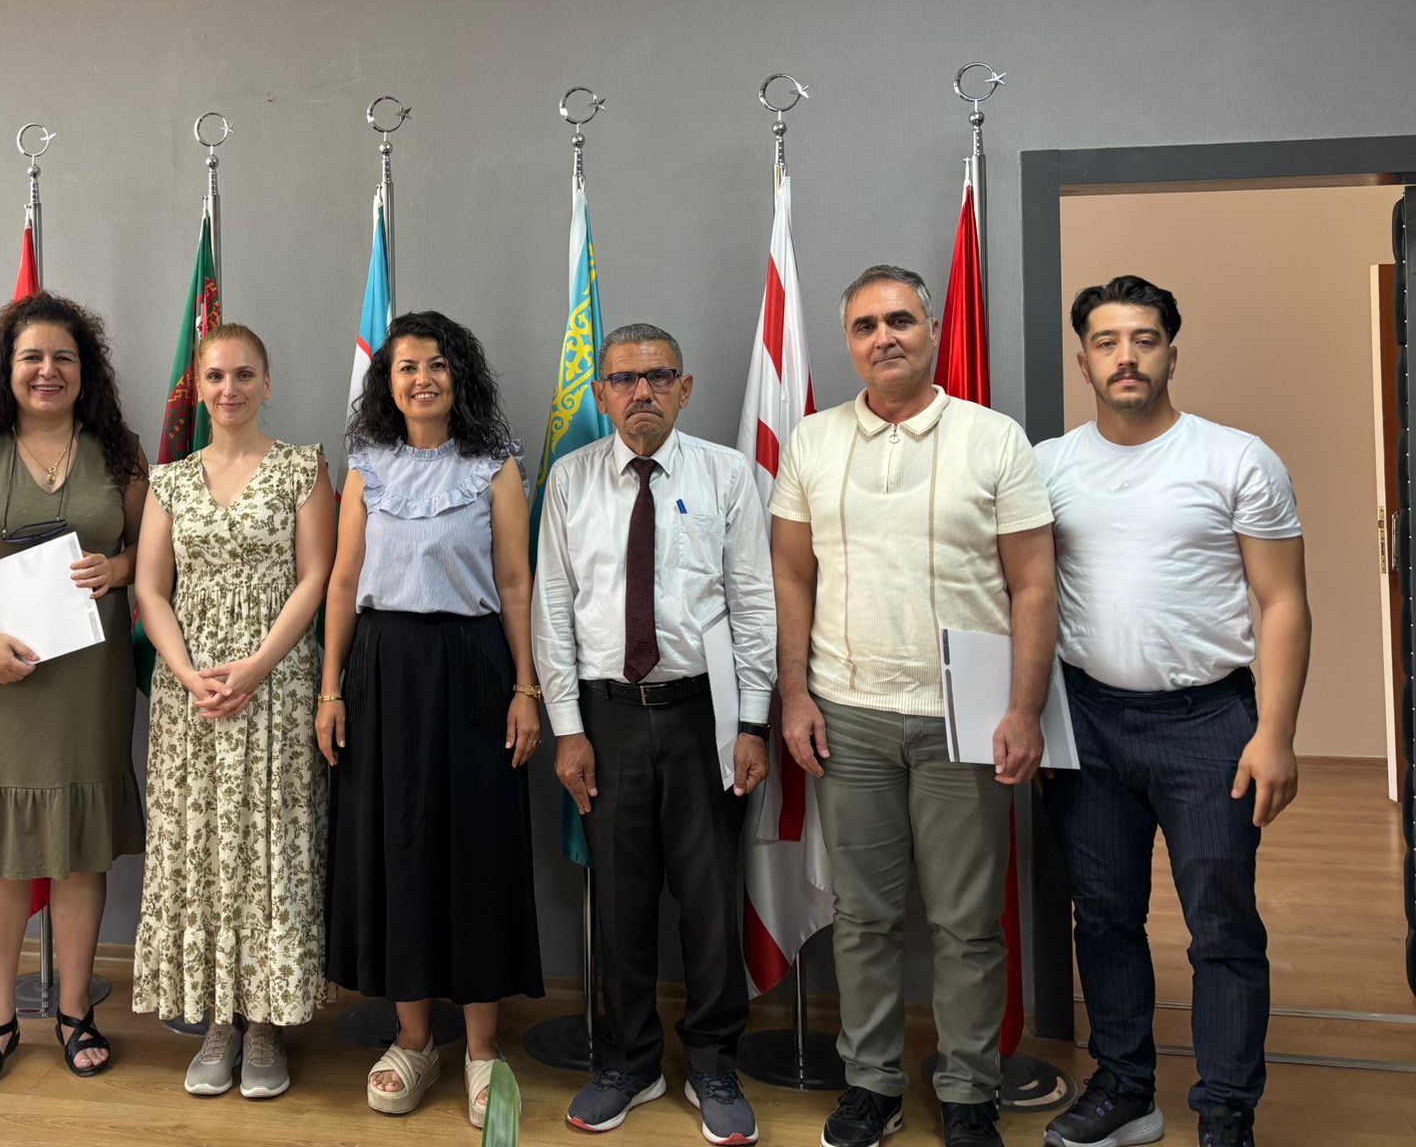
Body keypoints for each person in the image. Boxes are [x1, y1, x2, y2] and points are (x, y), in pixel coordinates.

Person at [771, 265, 1057, 1147]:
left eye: (899, 320)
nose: (883, 337)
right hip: (846, 713)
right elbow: (791, 573)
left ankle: (969, 1091)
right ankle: (873, 1085)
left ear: (931, 329)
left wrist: (1025, 709)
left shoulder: (994, 439)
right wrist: (794, 693)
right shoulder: (812, 442)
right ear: (848, 342)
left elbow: (1033, 583)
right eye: (865, 326)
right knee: (864, 918)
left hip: (965, 717)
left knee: (967, 925)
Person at [1038, 275, 1310, 1147]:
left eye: (1144, 339)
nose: (1126, 356)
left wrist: (1275, 734)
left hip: (1210, 725)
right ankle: (1125, 1090)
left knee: (1221, 924)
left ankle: (1226, 1112)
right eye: (1107, 341)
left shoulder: (1237, 460)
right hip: (1086, 722)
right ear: (1083, 360)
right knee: (1103, 915)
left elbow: (1283, 603)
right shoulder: (1049, 467)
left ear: (1171, 354)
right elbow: (1022, 597)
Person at [533, 321, 777, 1145]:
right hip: (605, 717)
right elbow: (552, 611)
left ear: (685, 388)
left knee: (709, 900)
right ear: (601, 394)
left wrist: (753, 723)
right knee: (621, 901)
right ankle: (630, 1062)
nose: (642, 392)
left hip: (706, 713)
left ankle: (713, 1062)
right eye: (625, 379)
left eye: (659, 376)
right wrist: (568, 730)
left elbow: (753, 602)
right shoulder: (571, 481)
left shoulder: (727, 475)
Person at [320, 311, 544, 1130]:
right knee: (400, 847)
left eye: (439, 364)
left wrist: (527, 688)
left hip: (475, 668)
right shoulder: (366, 467)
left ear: (461, 377)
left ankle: (483, 1049)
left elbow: (515, 583)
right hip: (383, 672)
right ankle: (414, 1040)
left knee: (476, 848)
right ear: (388, 382)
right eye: (408, 366)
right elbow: (343, 583)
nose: (423, 378)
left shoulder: (493, 465)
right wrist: (330, 689)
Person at [0, 293, 147, 1087]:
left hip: (89, 680)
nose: (47, 371)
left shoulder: (119, 456)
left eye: (63, 358)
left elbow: (153, 554)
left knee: (81, 847)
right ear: (5, 369)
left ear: (86, 372)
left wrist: (118, 568)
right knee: (2, 853)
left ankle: (76, 1009)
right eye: (32, 357)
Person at [130, 323, 336, 1100]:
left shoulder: (303, 468)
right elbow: (151, 587)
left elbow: (316, 576)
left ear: (267, 383)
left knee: (271, 848)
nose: (229, 388)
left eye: (244, 374)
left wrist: (256, 666)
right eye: (215, 376)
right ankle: (218, 1019)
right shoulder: (170, 480)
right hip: (192, 697)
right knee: (202, 848)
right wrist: (187, 674)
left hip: (276, 686)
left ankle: (268, 1024)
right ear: (200, 386)